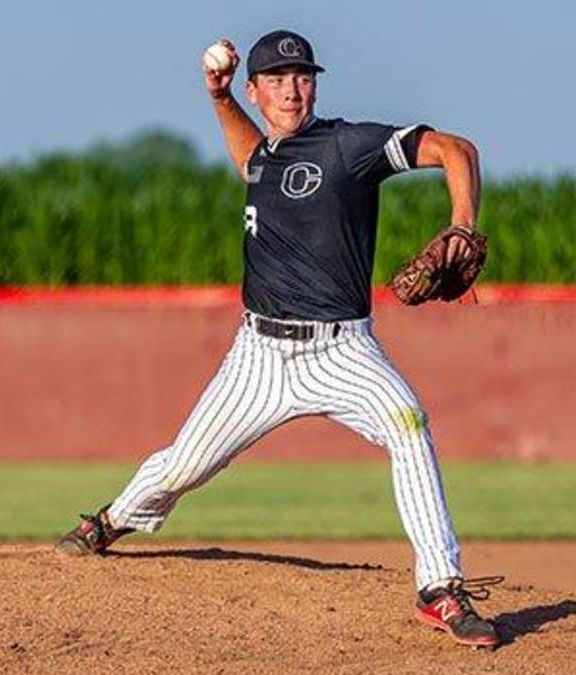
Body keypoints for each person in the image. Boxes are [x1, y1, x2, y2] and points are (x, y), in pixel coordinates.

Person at [56, 29, 500, 648]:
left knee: (408, 425)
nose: (293, 90)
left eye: (303, 77)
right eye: (278, 79)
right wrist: (217, 98)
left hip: (342, 350)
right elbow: (250, 161)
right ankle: (111, 521)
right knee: (185, 465)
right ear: (255, 90)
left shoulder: (348, 145)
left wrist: (462, 224)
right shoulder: (264, 156)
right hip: (258, 356)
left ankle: (440, 588)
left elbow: (457, 149)